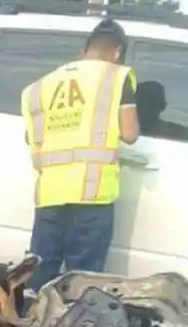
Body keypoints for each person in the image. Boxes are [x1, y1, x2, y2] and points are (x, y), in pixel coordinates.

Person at [20, 19, 139, 290]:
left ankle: (30, 324)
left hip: (50, 192)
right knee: (82, 277)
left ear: (86, 49)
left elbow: (33, 137)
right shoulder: (114, 78)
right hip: (92, 193)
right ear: (117, 52)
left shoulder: (40, 87)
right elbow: (130, 133)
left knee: (40, 269)